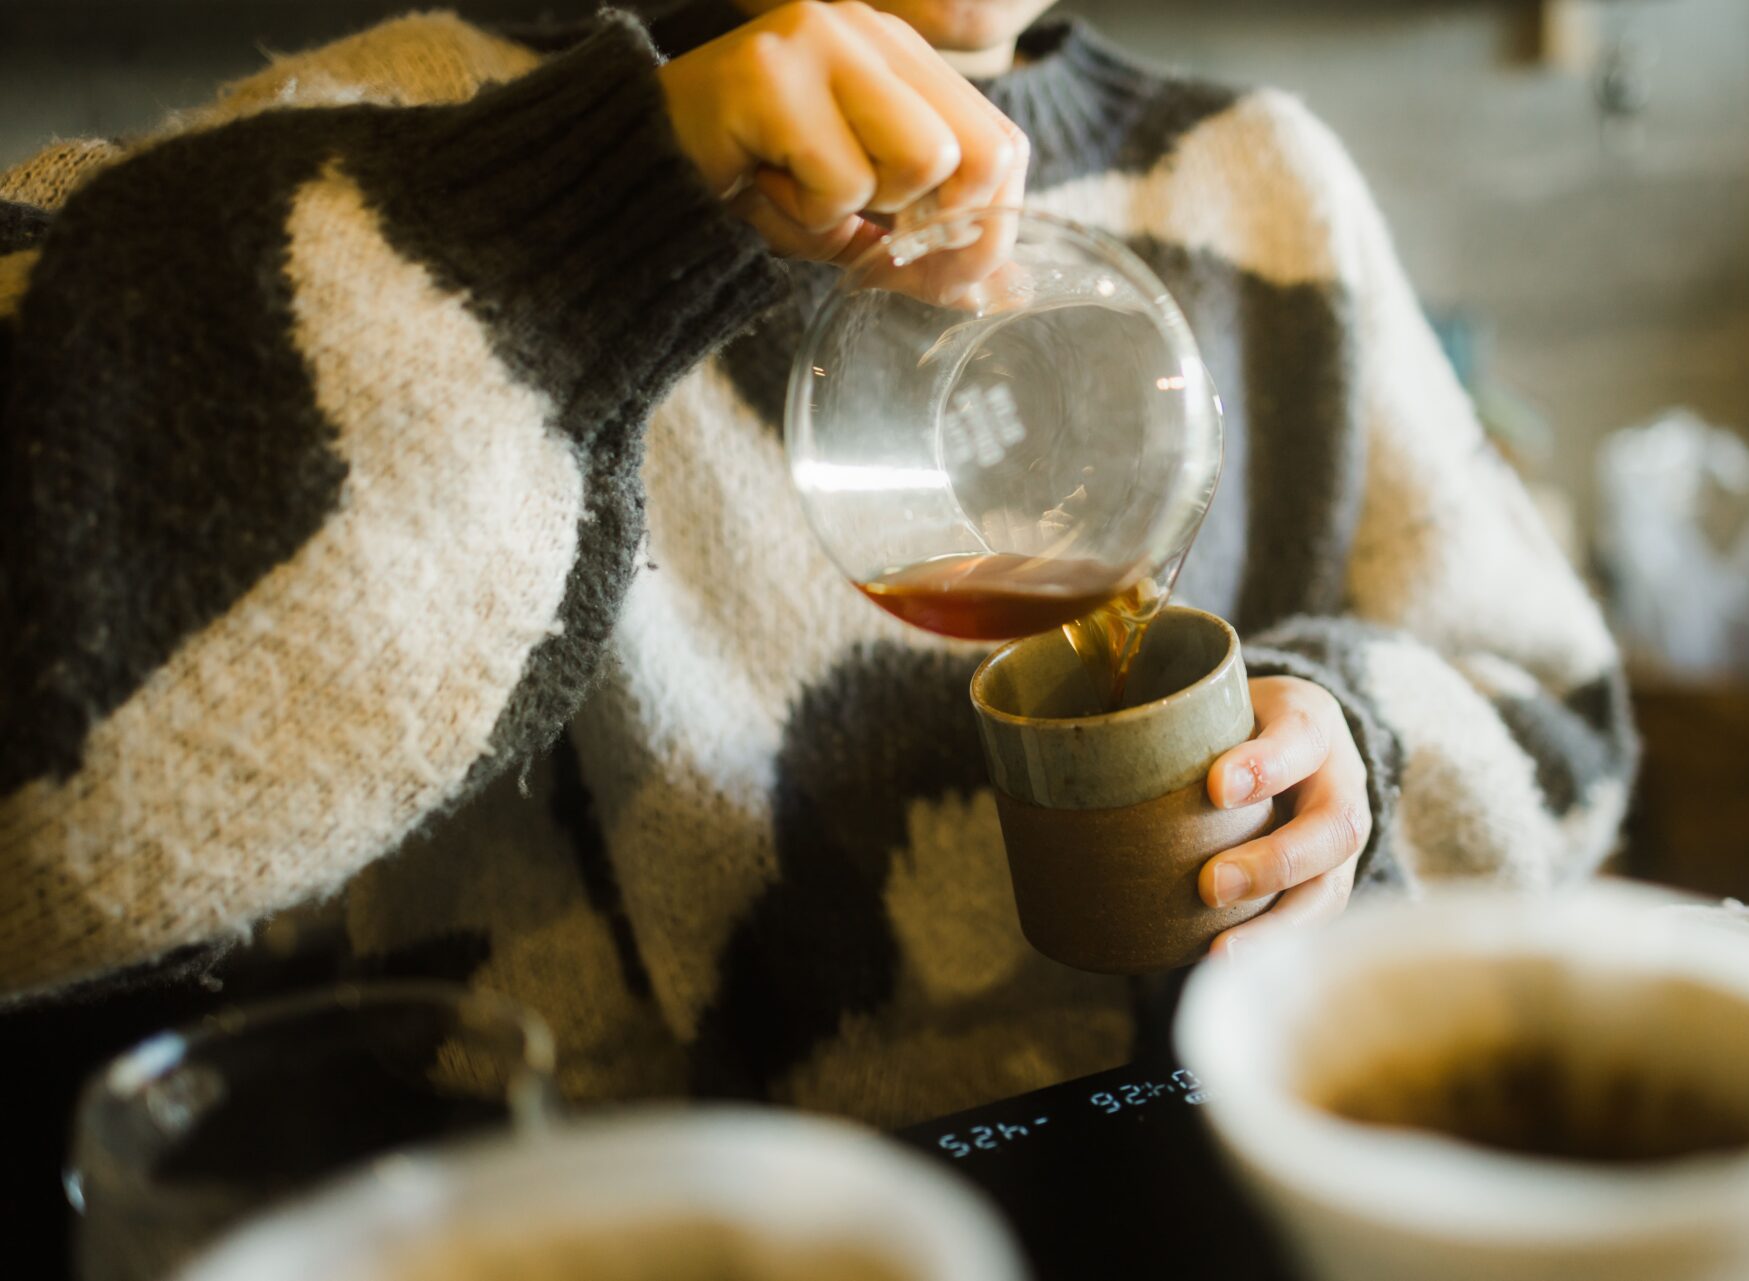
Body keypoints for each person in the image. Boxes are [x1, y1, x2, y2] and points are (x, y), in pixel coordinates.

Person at [0, 0, 1634, 1260]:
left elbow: (1554, 710)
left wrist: (1357, 752)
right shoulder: (402, 141)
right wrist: (577, 218)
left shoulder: (1258, 187)